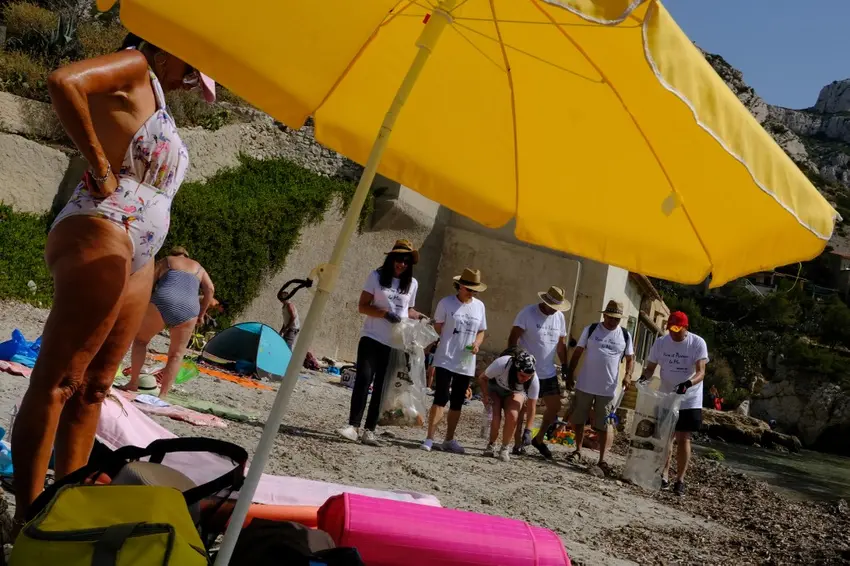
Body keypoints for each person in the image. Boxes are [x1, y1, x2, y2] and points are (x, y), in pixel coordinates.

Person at [10, 34, 214, 527]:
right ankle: (28, 517)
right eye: (190, 71)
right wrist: (99, 164)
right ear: (167, 47)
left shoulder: (157, 95)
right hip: (104, 224)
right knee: (61, 379)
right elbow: (64, 82)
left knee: (97, 387)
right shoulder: (135, 63)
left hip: (140, 247)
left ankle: (68, 509)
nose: (190, 83)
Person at [338, 240, 423, 446]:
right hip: (372, 337)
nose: (402, 264)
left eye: (406, 261)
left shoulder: (412, 283)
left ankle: (370, 430)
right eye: (398, 259)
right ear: (391, 258)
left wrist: (419, 317)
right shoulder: (375, 276)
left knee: (382, 387)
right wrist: (384, 314)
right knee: (364, 379)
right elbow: (363, 306)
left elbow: (408, 310)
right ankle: (353, 426)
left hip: (395, 342)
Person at [125, 247, 215, 399]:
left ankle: (133, 383)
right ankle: (163, 395)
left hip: (163, 300)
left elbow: (148, 281)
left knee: (140, 341)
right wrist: (201, 314)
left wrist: (141, 302)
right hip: (189, 308)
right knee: (176, 354)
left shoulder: (167, 261)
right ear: (187, 256)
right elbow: (210, 289)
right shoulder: (199, 267)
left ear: (174, 254)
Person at [639, 311, 708, 496]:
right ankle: (664, 474)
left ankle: (680, 480)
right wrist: (643, 379)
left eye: (677, 329)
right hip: (666, 396)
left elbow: (701, 372)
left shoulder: (697, 343)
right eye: (671, 328)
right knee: (665, 436)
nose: (674, 332)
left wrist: (688, 383)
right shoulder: (661, 343)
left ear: (686, 327)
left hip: (689, 398)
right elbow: (650, 368)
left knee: (683, 437)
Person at [421, 268, 488, 454]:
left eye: (475, 290)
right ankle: (429, 438)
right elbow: (437, 326)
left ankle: (449, 439)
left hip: (466, 361)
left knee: (458, 400)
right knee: (441, 396)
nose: (471, 293)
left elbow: (481, 331)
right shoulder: (446, 303)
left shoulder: (479, 306)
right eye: (469, 289)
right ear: (460, 286)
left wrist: (477, 343)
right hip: (446, 357)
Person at [564, 300, 634, 474]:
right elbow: (578, 352)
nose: (613, 321)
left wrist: (628, 375)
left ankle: (602, 460)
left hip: (608, 388)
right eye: (610, 317)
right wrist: (570, 374)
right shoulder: (591, 329)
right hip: (585, 384)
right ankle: (578, 451)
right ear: (604, 315)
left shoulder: (625, 335)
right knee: (579, 419)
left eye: (617, 319)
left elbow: (630, 359)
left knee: (605, 424)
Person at [508, 286, 570, 459]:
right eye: (553, 306)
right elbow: (513, 338)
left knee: (555, 406)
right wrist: (514, 360)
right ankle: (517, 443)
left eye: (557, 307)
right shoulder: (527, 313)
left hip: (548, 371)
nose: (555, 310)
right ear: (545, 302)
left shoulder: (559, 317)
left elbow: (561, 344)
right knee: (522, 408)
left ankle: (539, 438)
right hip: (527, 370)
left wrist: (565, 365)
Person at [479, 348, 540, 462]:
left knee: (513, 415)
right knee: (496, 417)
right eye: (522, 375)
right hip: (495, 388)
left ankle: (505, 447)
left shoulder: (533, 379)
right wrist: (486, 395)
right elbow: (482, 378)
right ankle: (491, 444)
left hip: (515, 392)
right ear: (516, 369)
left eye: (528, 376)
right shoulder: (502, 364)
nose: (525, 379)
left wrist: (528, 430)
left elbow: (532, 407)